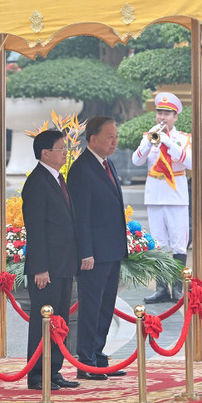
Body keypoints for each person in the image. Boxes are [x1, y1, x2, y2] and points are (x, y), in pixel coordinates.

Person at [67, 116, 128, 379]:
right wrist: (86, 252)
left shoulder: (107, 164)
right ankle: (86, 361)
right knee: (91, 306)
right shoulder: (82, 169)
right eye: (109, 136)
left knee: (106, 305)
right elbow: (81, 216)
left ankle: (99, 357)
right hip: (94, 254)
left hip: (111, 249)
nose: (115, 141)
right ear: (92, 139)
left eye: (116, 136)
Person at [21, 130, 80, 391]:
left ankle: (54, 370)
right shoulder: (37, 182)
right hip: (47, 269)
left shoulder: (57, 179)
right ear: (46, 153)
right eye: (61, 148)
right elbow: (36, 231)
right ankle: (37, 375)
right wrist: (40, 269)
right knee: (43, 322)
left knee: (60, 321)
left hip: (63, 265)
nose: (65, 153)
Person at [133, 93, 192, 304]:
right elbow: (137, 160)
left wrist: (167, 140)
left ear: (175, 117)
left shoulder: (183, 138)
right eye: (160, 112)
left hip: (176, 196)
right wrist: (150, 142)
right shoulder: (149, 136)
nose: (162, 117)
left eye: (167, 114)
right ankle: (161, 288)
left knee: (178, 244)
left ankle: (177, 288)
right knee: (157, 244)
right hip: (155, 196)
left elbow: (190, 162)